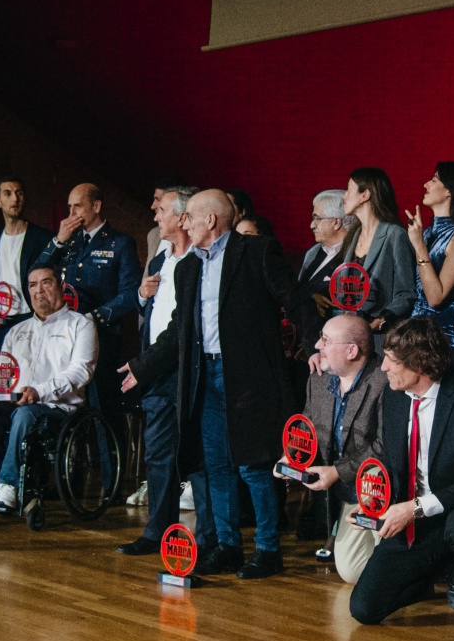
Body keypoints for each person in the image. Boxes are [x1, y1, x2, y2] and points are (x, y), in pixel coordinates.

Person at [122, 190, 296, 579]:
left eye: (190, 218)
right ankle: (228, 546)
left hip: (247, 379)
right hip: (204, 377)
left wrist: (320, 343)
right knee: (216, 466)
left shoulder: (256, 252)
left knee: (253, 465)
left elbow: (293, 299)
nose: (184, 223)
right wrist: (142, 365)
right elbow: (177, 333)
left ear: (212, 221)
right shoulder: (188, 269)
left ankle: (268, 549)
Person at [347, 318, 454, 627]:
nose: (383, 368)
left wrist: (415, 508)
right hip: (413, 519)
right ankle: (429, 574)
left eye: (391, 360)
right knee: (364, 609)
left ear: (419, 365)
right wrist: (370, 503)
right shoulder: (393, 397)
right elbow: (392, 464)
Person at [117, 186, 215, 555]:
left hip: (188, 368)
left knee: (197, 457)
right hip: (156, 370)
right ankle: (157, 530)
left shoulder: (203, 258)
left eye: (162, 210)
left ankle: (207, 537)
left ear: (184, 217)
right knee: (157, 454)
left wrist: (145, 365)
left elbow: (184, 326)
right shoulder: (160, 256)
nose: (155, 216)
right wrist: (142, 296)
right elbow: (151, 314)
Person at [0, 263, 98, 512]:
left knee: (26, 414)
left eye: (46, 282)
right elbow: (1, 372)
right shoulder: (17, 331)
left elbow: (81, 371)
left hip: (58, 409)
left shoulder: (81, 325)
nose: (39, 291)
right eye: (32, 285)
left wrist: (40, 391)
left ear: (61, 286)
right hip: (17, 406)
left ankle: (10, 485)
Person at [39, 182, 140, 438]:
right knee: (64, 404)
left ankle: (109, 476)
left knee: (103, 408)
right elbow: (37, 275)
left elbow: (131, 293)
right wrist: (57, 242)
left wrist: (92, 317)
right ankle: (70, 470)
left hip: (103, 336)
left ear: (96, 206)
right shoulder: (68, 243)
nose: (71, 214)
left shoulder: (120, 243)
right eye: (69, 207)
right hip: (65, 338)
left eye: (77, 207)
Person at [298, 312, 387, 581]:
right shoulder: (319, 378)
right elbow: (306, 430)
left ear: (351, 351)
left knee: (374, 474)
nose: (317, 346)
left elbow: (384, 446)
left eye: (325, 341)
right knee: (350, 572)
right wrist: (291, 457)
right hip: (348, 494)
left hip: (383, 485)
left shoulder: (384, 381)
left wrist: (336, 472)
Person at [405, 162, 454, 361]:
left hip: (444, 340)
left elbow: (435, 297)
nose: (425, 184)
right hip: (418, 333)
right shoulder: (428, 233)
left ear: (450, 191)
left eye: (434, 179)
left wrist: (420, 247)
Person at [0, 176, 53, 368]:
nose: (15, 199)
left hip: (30, 321)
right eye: (8, 193)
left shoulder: (42, 237)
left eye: (19, 193)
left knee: (29, 384)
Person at [342, 168, 417, 340]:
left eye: (349, 189)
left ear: (365, 195)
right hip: (352, 333)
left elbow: (406, 293)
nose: (344, 196)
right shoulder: (353, 236)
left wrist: (379, 320)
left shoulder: (395, 234)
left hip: (382, 337)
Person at [290, 188, 355, 358]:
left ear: (336, 222)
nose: (312, 225)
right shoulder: (314, 253)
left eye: (317, 218)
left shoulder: (354, 257)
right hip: (302, 346)